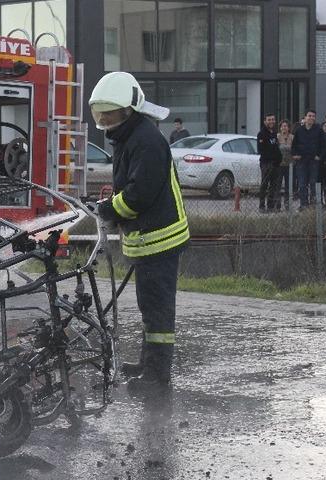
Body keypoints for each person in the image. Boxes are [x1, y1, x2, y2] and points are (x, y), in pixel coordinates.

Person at [88, 71, 189, 393]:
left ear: (128, 110)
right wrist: (106, 204)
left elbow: (137, 196)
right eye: (99, 112)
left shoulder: (146, 141)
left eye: (109, 112)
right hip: (149, 240)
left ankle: (158, 377)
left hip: (160, 240)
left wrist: (106, 209)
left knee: (158, 313)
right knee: (150, 308)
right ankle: (148, 364)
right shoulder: (130, 136)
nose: (103, 118)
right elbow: (130, 188)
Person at [291, 110, 323, 209]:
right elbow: (294, 145)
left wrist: (320, 156)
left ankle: (313, 206)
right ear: (305, 118)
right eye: (309, 116)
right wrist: (294, 155)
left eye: (313, 116)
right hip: (302, 161)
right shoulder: (299, 130)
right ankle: (303, 205)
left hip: (314, 161)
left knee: (313, 183)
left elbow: (324, 145)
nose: (311, 118)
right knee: (302, 183)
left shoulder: (318, 130)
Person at [257, 114, 282, 212]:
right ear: (265, 121)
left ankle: (271, 206)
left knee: (273, 186)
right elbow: (261, 150)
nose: (271, 121)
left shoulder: (274, 133)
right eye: (269, 120)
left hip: (275, 164)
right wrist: (270, 159)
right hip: (266, 163)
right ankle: (262, 206)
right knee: (264, 185)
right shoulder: (262, 134)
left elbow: (276, 148)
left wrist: (278, 159)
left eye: (273, 119)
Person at [276, 120, 295, 211]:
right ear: (280, 128)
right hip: (279, 165)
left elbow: (295, 149)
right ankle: (277, 205)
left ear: (288, 128)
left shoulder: (292, 137)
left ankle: (287, 205)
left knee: (288, 186)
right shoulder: (277, 137)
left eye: (286, 126)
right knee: (278, 185)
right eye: (283, 126)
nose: (284, 128)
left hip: (290, 166)